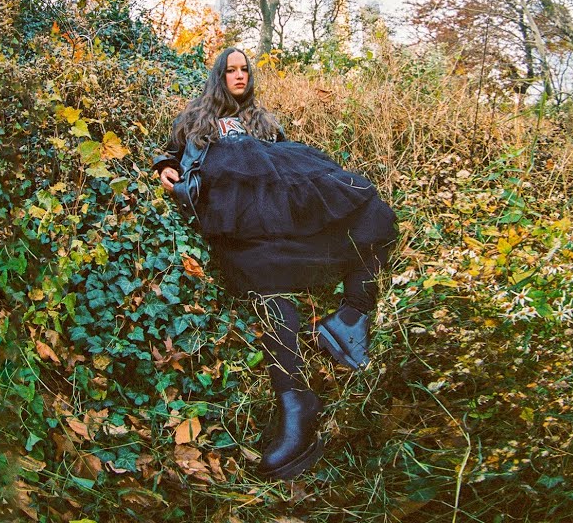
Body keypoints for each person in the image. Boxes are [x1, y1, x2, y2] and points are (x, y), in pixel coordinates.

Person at [151, 47, 398, 480]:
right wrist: (164, 167)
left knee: (373, 217)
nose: (239, 76)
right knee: (261, 278)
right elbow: (174, 155)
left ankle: (351, 315)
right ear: (218, 76)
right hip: (237, 219)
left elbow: (289, 169)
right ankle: (296, 400)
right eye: (231, 70)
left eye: (245, 70)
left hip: (279, 213)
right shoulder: (197, 118)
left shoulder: (263, 121)